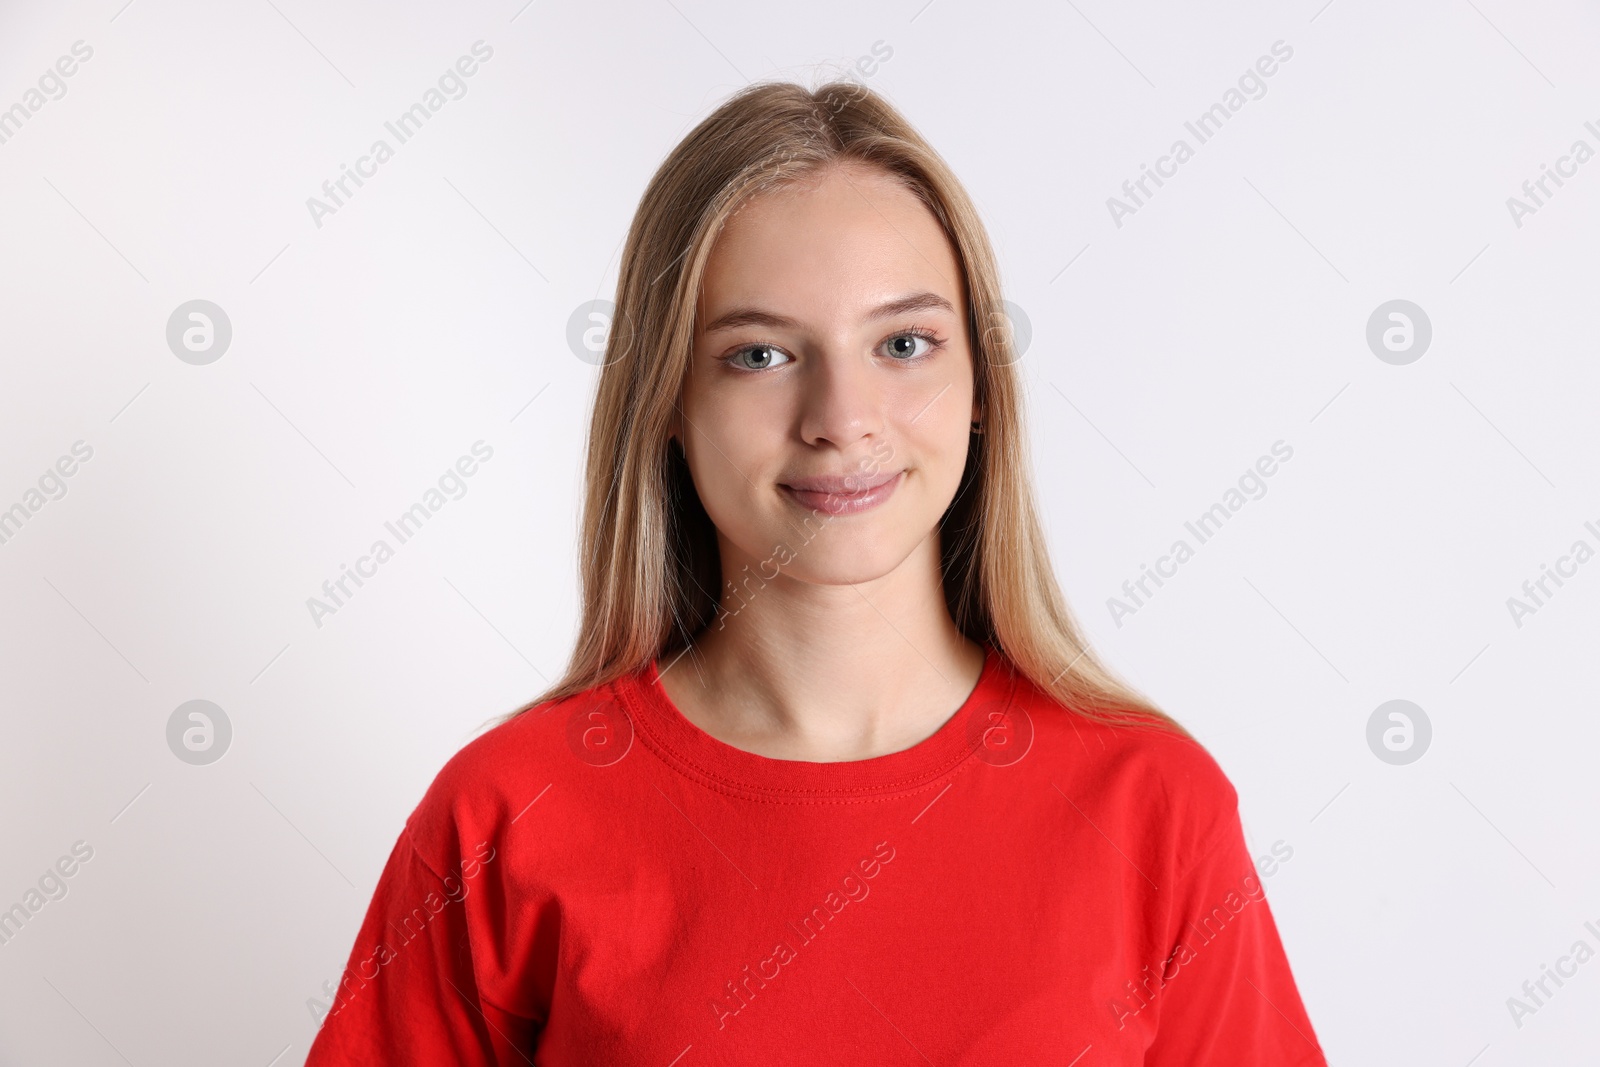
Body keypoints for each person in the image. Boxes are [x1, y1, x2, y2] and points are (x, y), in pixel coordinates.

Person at [304, 78, 1326, 1065]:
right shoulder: (505, 814)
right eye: (759, 354)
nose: (842, 418)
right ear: (665, 398)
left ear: (979, 383)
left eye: (905, 342)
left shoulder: (1153, 808)